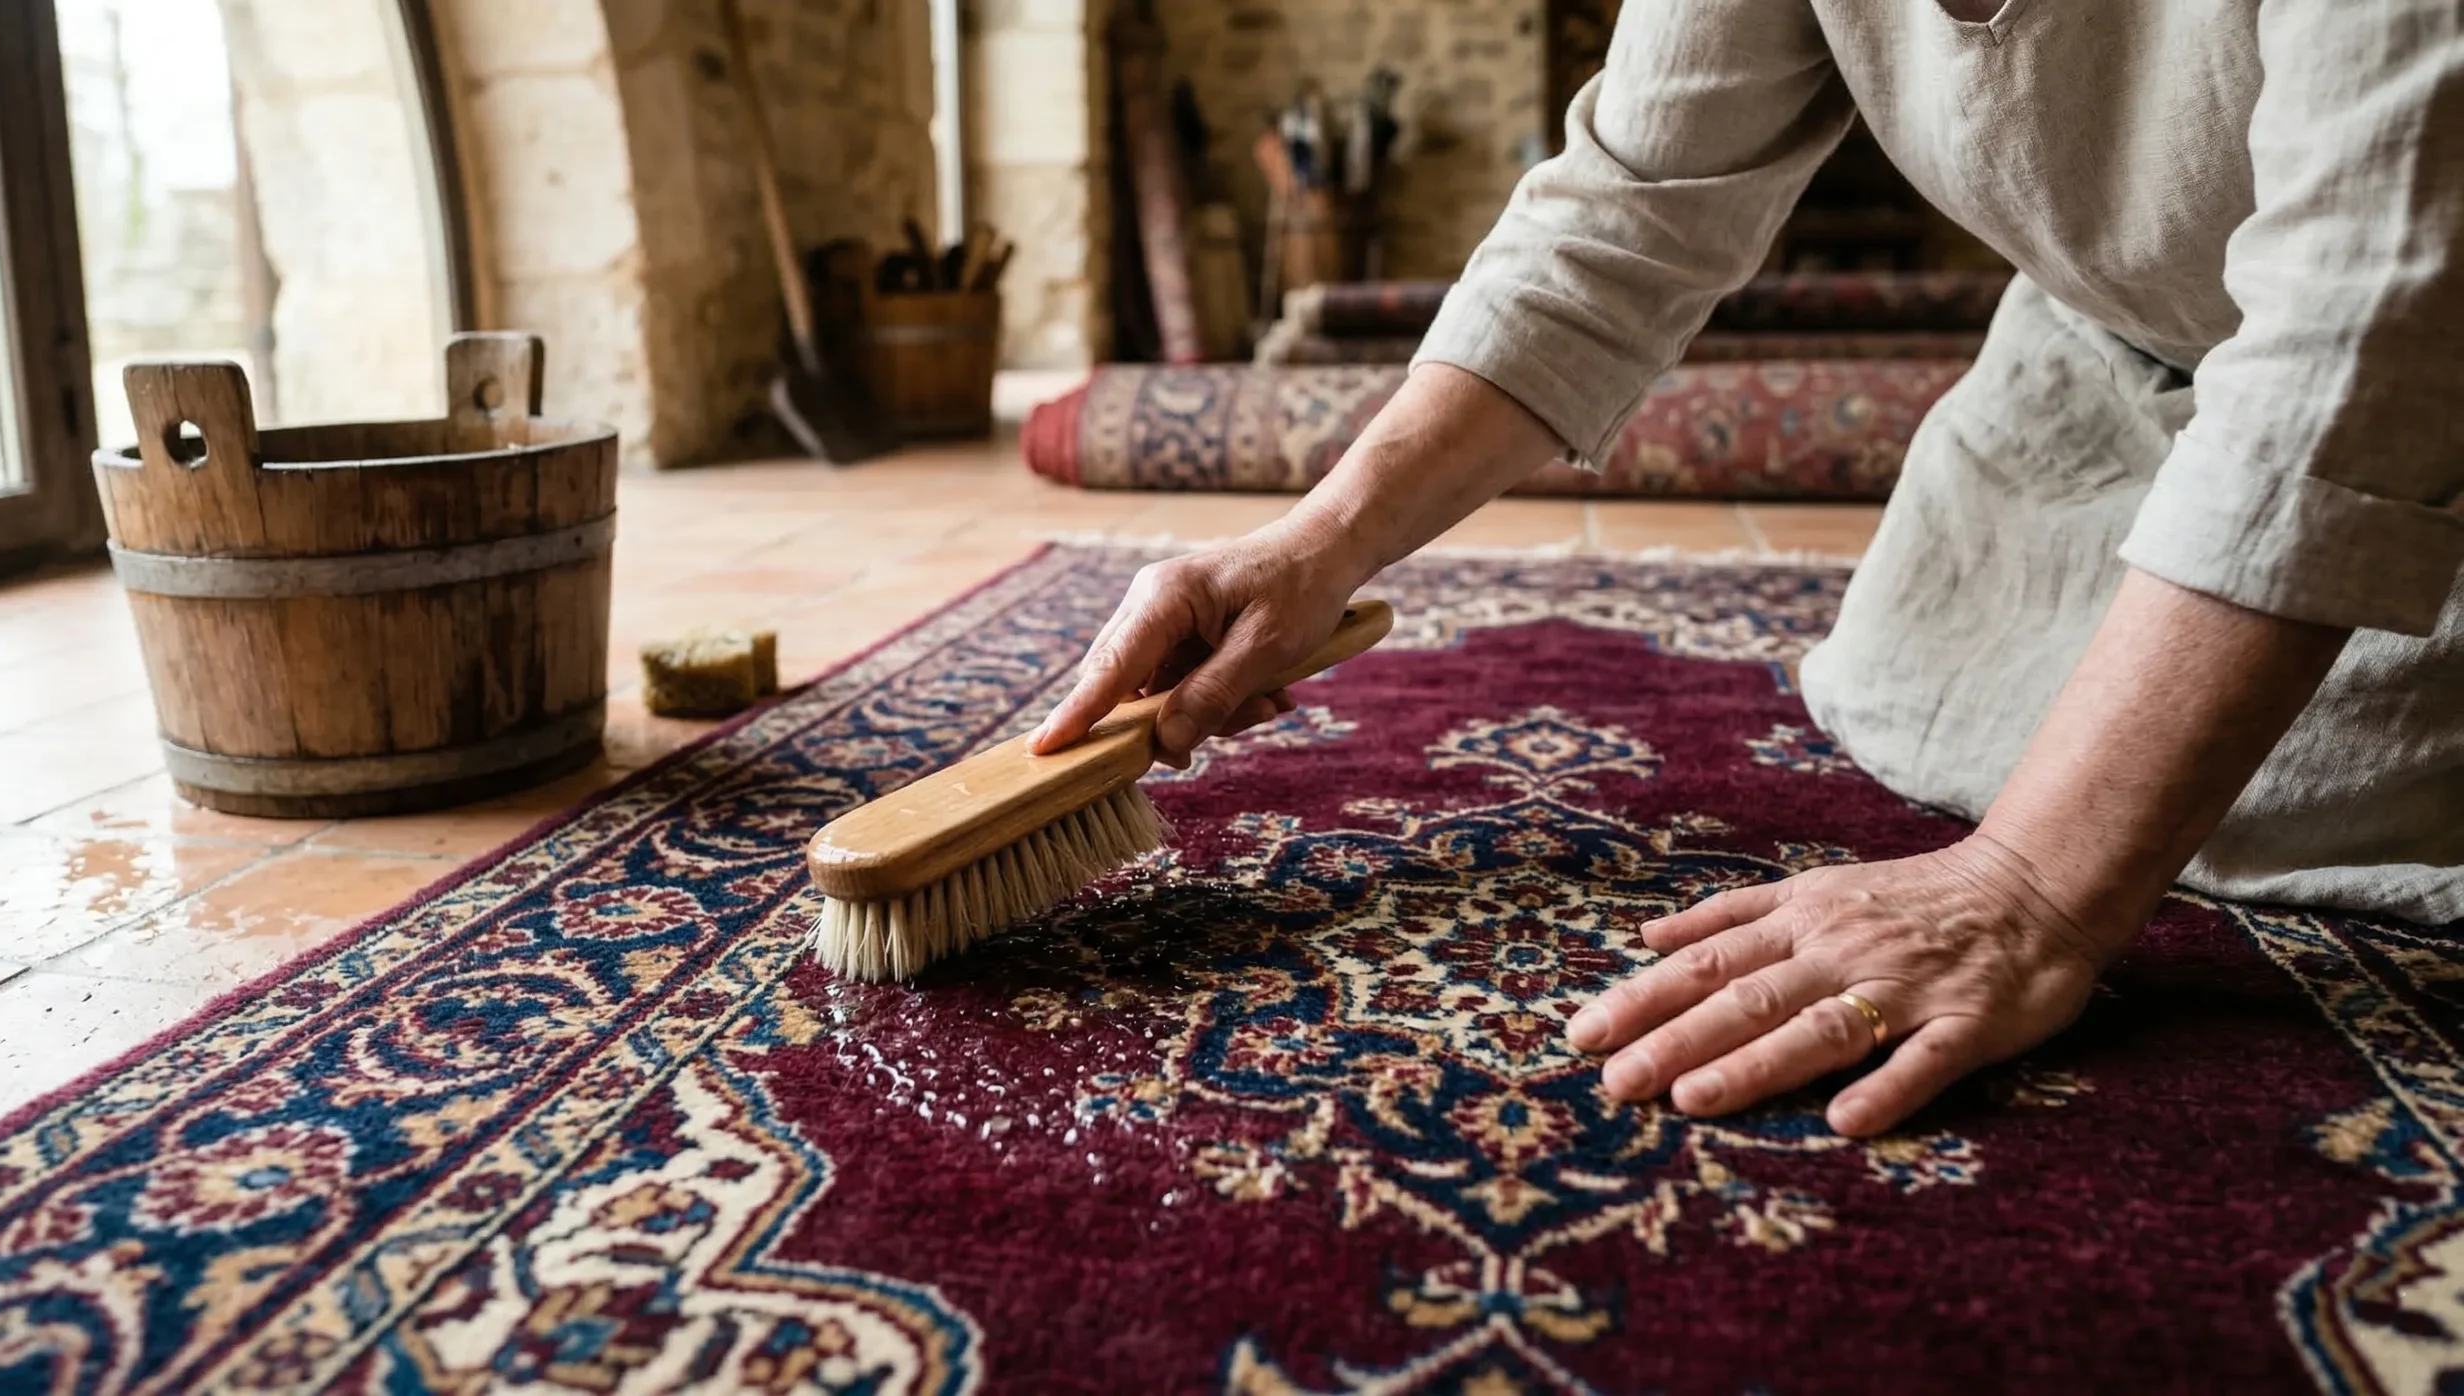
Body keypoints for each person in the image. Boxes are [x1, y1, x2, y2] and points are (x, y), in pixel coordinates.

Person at [1029, 0, 2464, 1136]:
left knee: (2299, 799)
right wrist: (1313, 542)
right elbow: (1630, 204)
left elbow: (2362, 329)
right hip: (2112, 371)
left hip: (2423, 401)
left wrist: (2032, 885)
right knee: (1928, 692)